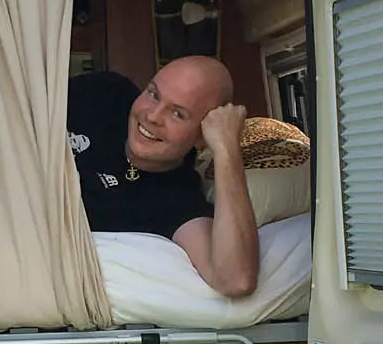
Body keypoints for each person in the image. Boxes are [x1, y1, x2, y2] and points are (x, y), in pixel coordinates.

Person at [67, 59, 259, 297]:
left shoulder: (178, 200)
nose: (153, 116)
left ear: (202, 136)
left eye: (178, 114)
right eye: (153, 94)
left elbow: (236, 280)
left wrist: (226, 148)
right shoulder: (103, 94)